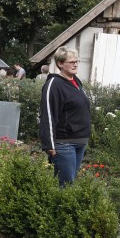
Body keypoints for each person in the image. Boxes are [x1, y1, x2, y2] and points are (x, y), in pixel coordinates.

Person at [39, 47, 91, 186]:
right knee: (65, 186)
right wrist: (49, 144)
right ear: (60, 63)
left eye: (77, 61)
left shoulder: (76, 82)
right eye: (71, 62)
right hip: (64, 143)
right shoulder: (54, 84)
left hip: (80, 141)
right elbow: (48, 114)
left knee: (69, 186)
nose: (75, 64)